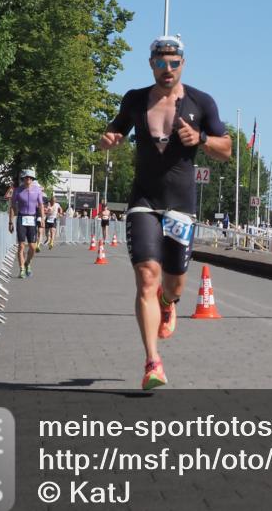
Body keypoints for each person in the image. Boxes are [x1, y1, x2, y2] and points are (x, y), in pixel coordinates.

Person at [99, 34, 231, 389]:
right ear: (151, 64)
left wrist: (201, 140)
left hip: (181, 208)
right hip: (144, 200)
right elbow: (113, 131)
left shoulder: (201, 102)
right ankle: (152, 362)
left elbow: (227, 150)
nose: (167, 69)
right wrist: (108, 140)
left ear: (183, 64)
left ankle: (169, 304)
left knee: (173, 283)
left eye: (174, 63)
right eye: (161, 63)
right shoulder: (136, 99)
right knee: (146, 277)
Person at [8, 168, 45, 278]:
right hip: (21, 218)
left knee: (33, 247)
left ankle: (27, 263)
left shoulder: (37, 190)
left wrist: (42, 218)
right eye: (26, 178)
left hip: (32, 219)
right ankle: (22, 269)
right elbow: (13, 206)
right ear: (23, 179)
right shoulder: (17, 191)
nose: (28, 179)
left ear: (32, 179)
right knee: (21, 246)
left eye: (30, 178)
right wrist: (10, 222)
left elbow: (41, 205)